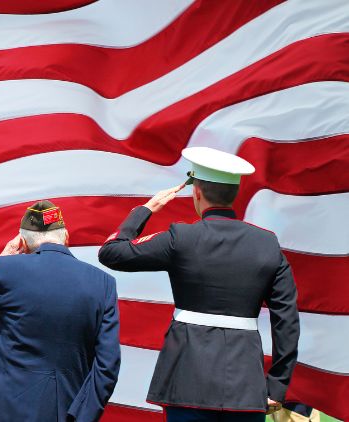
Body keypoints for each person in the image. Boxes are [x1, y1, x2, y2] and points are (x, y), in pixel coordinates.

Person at [98, 146, 300, 421]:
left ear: (197, 192)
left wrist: (146, 209)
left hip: (186, 380)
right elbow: (286, 320)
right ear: (235, 194)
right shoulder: (267, 244)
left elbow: (111, 253)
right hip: (244, 387)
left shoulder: (181, 238)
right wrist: (277, 385)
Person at [0, 200, 121, 422]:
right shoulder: (103, 284)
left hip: (0, 410)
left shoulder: (6, 270)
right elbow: (107, 365)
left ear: (23, 243)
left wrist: (2, 259)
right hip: (63, 410)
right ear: (66, 238)